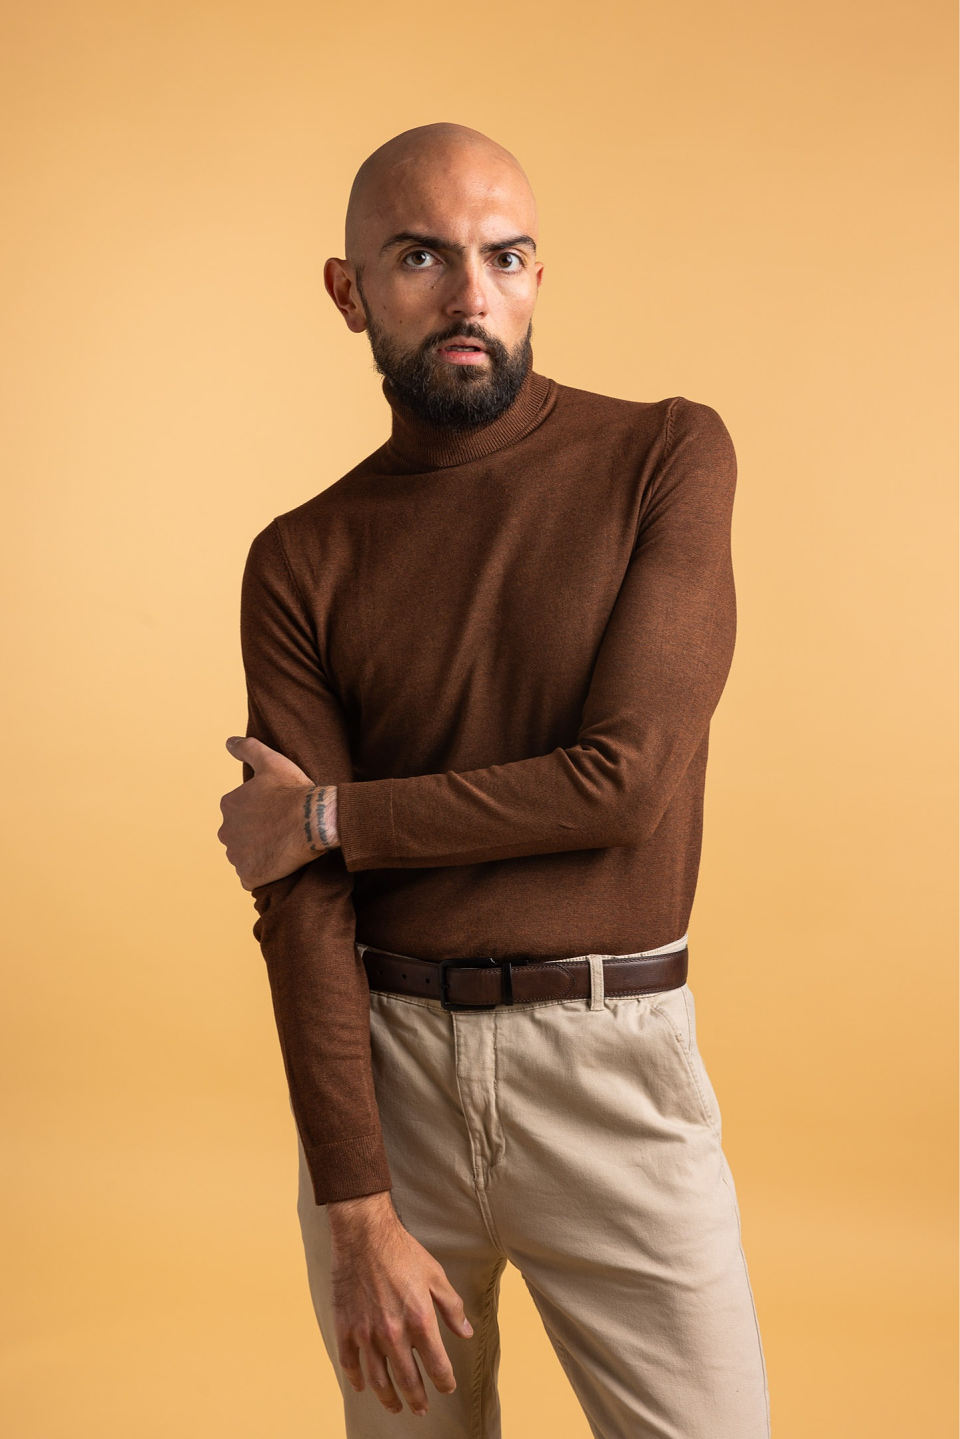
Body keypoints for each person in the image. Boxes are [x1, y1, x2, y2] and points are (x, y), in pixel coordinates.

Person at [217, 121, 771, 1438]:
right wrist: (355, 1205)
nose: (472, 296)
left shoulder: (664, 457)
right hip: (389, 1083)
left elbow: (621, 785)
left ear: (536, 275)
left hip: (612, 1073)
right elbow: (301, 908)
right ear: (351, 292)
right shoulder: (301, 559)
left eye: (505, 257)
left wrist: (329, 819)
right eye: (422, 257)